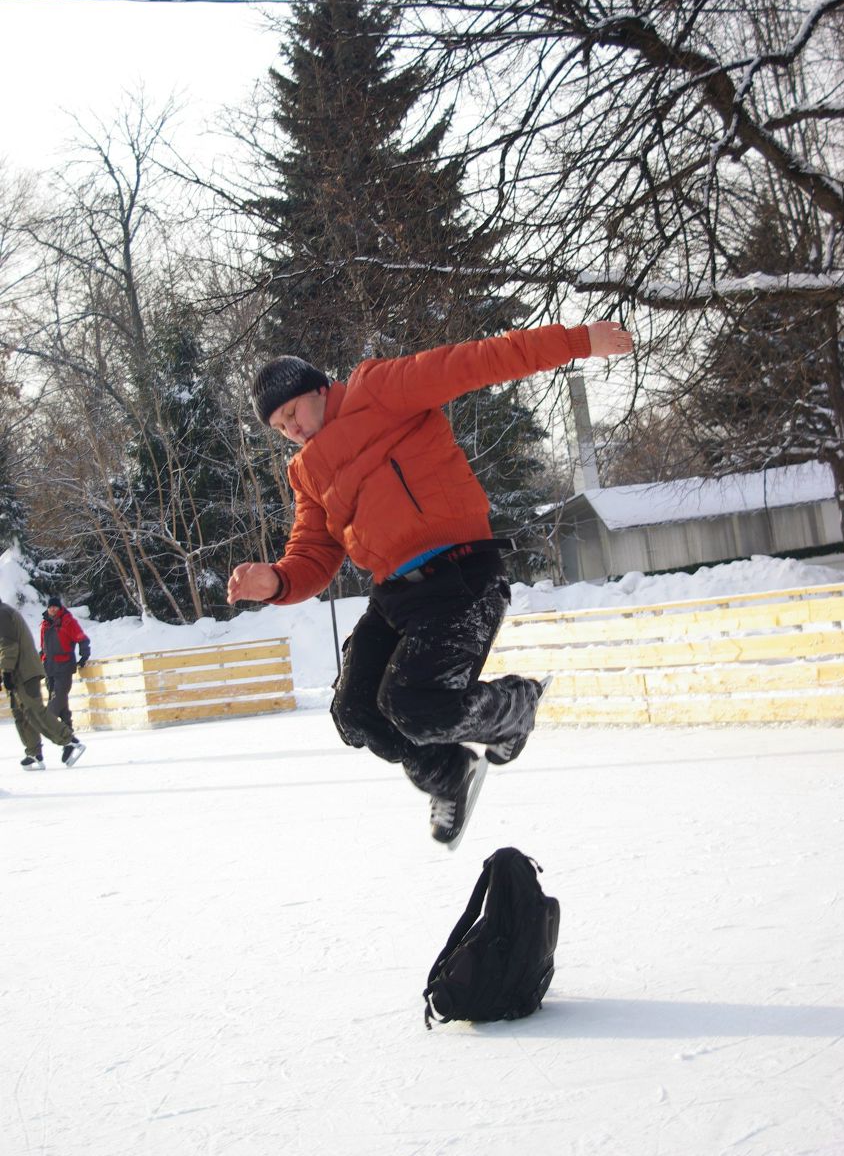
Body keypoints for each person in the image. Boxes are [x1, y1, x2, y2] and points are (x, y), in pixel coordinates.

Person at [228, 320, 633, 843]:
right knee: (354, 714)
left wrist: (580, 342)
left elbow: (479, 359)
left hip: (459, 573)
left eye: (293, 412)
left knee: (415, 706)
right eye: (280, 428)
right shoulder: (307, 473)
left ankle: (514, 706)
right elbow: (313, 552)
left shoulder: (379, 390)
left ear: (320, 389)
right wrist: (278, 580)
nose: (293, 429)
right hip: (395, 595)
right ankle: (447, 773)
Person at [0, 598, 86, 769]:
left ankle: (69, 741)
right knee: (20, 714)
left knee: (34, 710)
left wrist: (6, 671)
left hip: (24, 672)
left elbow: (8, 646)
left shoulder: (3, 614)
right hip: (16, 673)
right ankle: (34, 752)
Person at [40, 595, 91, 734]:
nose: (52, 609)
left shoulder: (67, 621)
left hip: (64, 665)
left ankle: (46, 723)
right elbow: (43, 646)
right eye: (50, 607)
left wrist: (84, 655)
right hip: (49, 667)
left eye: (55, 607)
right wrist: (41, 659)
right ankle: (67, 730)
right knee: (57, 699)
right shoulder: (45, 624)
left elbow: (81, 638)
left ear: (60, 607)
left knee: (59, 697)